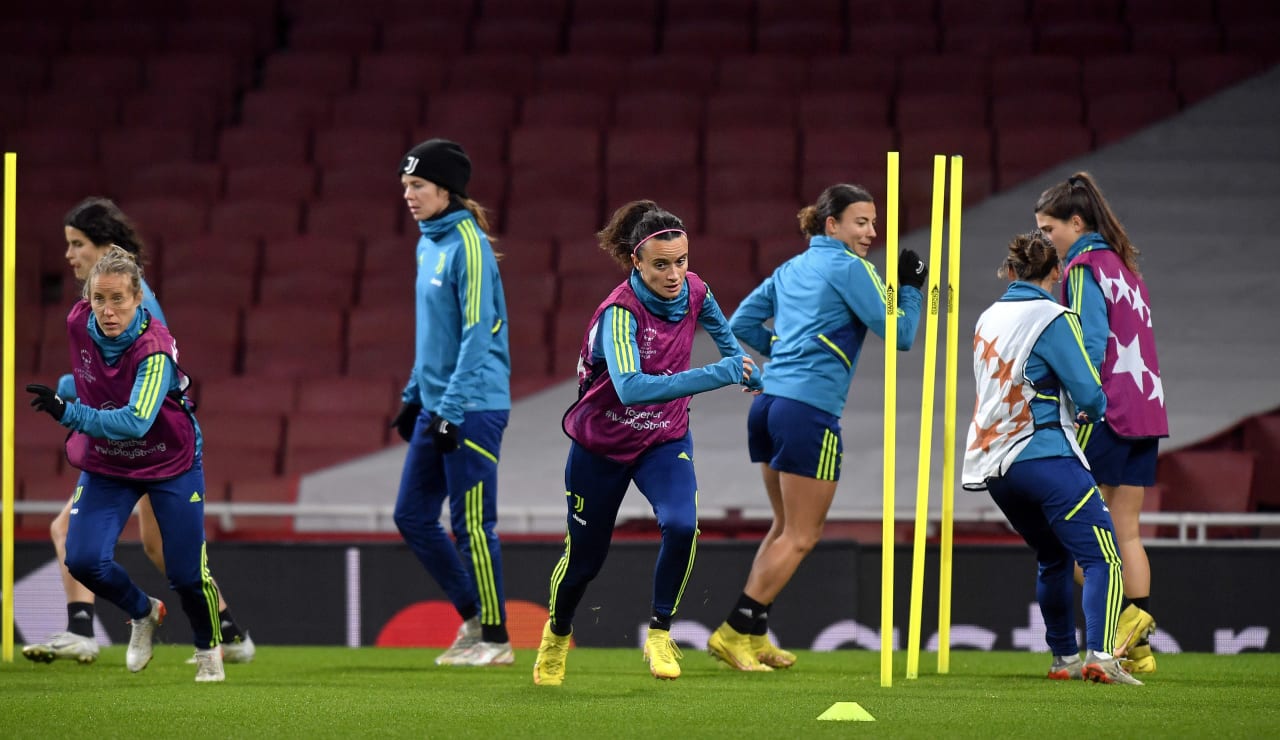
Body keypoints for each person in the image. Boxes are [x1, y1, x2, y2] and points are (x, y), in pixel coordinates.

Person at [532, 200, 762, 686]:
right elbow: (632, 386)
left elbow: (723, 334)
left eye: (681, 260)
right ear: (636, 262)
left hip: (663, 438)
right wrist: (716, 373)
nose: (675, 273)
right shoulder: (619, 313)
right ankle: (556, 634)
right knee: (584, 561)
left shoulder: (696, 290)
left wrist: (742, 368)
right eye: (661, 264)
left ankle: (660, 631)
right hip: (601, 446)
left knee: (682, 524)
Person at [22, 197, 253, 666]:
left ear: (105, 247)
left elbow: (144, 386)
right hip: (120, 439)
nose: (69, 255)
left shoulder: (138, 307)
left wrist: (70, 411)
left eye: (77, 244)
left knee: (88, 534)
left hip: (149, 440)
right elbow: (96, 375)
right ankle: (228, 633)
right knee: (133, 543)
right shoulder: (89, 310)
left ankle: (88, 629)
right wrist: (70, 393)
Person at [708, 183, 925, 671]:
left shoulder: (792, 266)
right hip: (809, 411)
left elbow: (739, 324)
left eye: (873, 222)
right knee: (803, 535)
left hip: (768, 404)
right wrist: (911, 290)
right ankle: (733, 630)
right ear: (833, 225)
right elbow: (901, 334)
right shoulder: (851, 268)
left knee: (783, 527)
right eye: (861, 222)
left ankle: (756, 636)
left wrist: (784, 357)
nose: (871, 232)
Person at [961, 230, 1140, 685]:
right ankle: (1102, 655)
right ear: (1057, 272)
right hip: (1046, 455)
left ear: (1011, 270)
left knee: (1053, 556)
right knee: (1104, 557)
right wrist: (1092, 407)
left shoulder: (986, 317)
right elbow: (1088, 394)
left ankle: (1064, 659)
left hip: (995, 466)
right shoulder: (1054, 317)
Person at [1035, 172, 1166, 674]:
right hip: (1146, 408)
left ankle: (1122, 629)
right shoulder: (1127, 270)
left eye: (1049, 229)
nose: (1045, 240)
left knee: (1082, 539)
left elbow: (1088, 343)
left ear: (1075, 222)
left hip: (1105, 410)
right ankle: (1140, 646)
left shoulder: (1084, 267)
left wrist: (1074, 398)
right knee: (1127, 531)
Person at [391, 139, 513, 666]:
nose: (409, 196)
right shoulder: (427, 243)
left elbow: (477, 333)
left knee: (472, 523)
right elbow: (433, 337)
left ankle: (497, 638)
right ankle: (472, 616)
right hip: (437, 404)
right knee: (412, 516)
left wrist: (452, 407)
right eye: (405, 187)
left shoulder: (470, 245)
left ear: (446, 189)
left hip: (473, 405)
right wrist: (413, 397)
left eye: (417, 186)